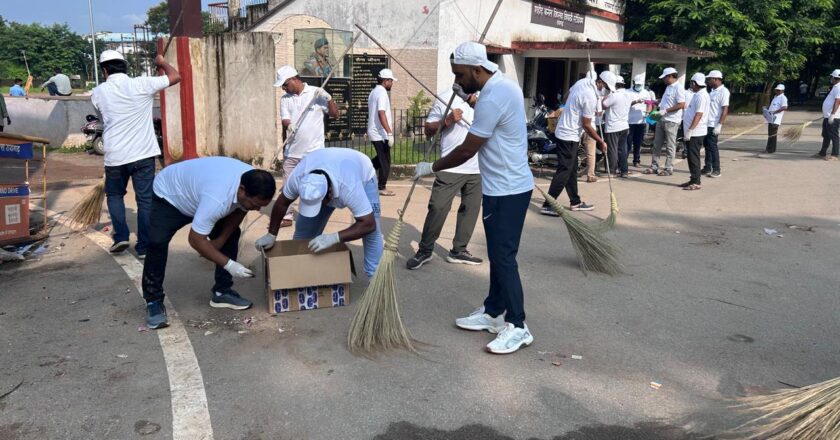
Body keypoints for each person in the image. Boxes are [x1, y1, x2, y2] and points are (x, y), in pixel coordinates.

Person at [414, 42, 535, 354]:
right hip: (502, 187)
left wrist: (432, 167)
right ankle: (493, 312)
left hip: (508, 189)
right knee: (498, 254)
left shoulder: (492, 98)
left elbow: (468, 149)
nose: (457, 80)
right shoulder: (500, 87)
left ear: (477, 70)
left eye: (460, 75)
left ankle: (518, 325)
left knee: (503, 257)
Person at [142, 157, 276, 329]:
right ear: (242, 190)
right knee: (157, 243)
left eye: (261, 206)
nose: (257, 209)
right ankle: (153, 301)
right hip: (171, 196)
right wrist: (229, 265)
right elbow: (195, 240)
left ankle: (222, 291)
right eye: (255, 204)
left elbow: (240, 211)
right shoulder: (218, 199)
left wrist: (220, 241)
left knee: (232, 234)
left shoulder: (251, 181)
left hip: (201, 194)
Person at [91, 50, 180, 255]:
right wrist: (162, 62)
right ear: (124, 66)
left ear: (104, 70)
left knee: (115, 196)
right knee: (145, 200)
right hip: (143, 154)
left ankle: (121, 237)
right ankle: (144, 246)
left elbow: (103, 118)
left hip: (115, 155)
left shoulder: (98, 92)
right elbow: (176, 76)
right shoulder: (142, 84)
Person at [257, 148, 384, 278]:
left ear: (330, 194)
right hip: (325, 164)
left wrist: (334, 238)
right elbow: (281, 203)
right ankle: (302, 274)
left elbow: (368, 224)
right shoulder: (298, 178)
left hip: (361, 171)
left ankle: (375, 277)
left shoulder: (350, 187)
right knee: (303, 235)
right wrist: (271, 234)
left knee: (372, 233)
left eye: (317, 204)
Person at [405, 86, 482, 270]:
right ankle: (425, 250)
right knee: (438, 207)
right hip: (450, 165)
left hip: (478, 167)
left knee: (470, 210)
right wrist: (447, 120)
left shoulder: (484, 98)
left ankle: (459, 250)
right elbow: (428, 130)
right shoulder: (445, 97)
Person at [273, 65, 339, 227]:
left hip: (313, 152)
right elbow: (285, 118)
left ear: (294, 80)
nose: (283, 88)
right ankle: (287, 216)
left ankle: (311, 215)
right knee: (288, 186)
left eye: (285, 84)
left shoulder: (316, 93)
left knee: (312, 185)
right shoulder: (285, 99)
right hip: (292, 151)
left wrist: (329, 98)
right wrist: (289, 125)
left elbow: (335, 114)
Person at [540, 71, 609, 217]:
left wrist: (572, 108)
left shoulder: (582, 82)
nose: (607, 91)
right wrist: (600, 141)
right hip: (568, 135)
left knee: (571, 169)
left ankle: (575, 202)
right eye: (607, 88)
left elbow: (566, 97)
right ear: (600, 83)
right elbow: (587, 125)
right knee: (564, 170)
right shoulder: (590, 96)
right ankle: (548, 205)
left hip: (567, 131)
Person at [644, 67, 685, 176]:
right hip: (661, 118)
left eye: (665, 77)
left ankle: (668, 168)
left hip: (672, 121)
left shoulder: (679, 88)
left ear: (670, 76)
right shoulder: (668, 87)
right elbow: (667, 102)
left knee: (670, 146)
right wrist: (657, 102)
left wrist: (666, 110)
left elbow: (681, 104)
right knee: (656, 144)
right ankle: (654, 166)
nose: (663, 80)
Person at [367, 68, 397, 196]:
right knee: (385, 161)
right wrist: (389, 132)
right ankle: (381, 187)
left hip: (376, 132)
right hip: (379, 133)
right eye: (391, 81)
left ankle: (363, 170)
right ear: (385, 81)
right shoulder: (382, 93)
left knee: (380, 159)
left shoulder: (373, 92)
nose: (392, 83)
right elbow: (381, 113)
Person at [680, 73, 710, 191]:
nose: (691, 85)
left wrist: (691, 130)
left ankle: (696, 181)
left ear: (695, 83)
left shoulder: (701, 96)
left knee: (693, 157)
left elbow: (698, 114)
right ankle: (693, 179)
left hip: (696, 132)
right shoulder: (697, 94)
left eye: (692, 83)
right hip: (693, 131)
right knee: (691, 156)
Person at [602, 75, 633, 178]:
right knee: (622, 149)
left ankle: (612, 171)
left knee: (612, 149)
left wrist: (605, 96)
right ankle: (624, 171)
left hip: (613, 126)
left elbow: (603, 105)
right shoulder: (628, 94)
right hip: (624, 125)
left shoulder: (614, 95)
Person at [702, 70, 729, 178]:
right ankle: (707, 167)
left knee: (712, 147)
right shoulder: (712, 91)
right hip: (707, 123)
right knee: (707, 146)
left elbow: (725, 109)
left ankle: (716, 169)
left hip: (714, 123)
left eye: (709, 79)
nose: (708, 81)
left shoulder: (724, 92)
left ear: (716, 79)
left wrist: (720, 125)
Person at [627, 73, 654, 168]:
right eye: (637, 84)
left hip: (641, 121)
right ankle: (624, 160)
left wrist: (648, 112)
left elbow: (649, 104)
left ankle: (636, 160)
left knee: (638, 143)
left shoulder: (646, 93)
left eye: (640, 84)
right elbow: (625, 104)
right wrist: (636, 101)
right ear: (633, 82)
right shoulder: (628, 92)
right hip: (629, 121)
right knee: (628, 142)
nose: (638, 86)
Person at [816, 69, 840, 161]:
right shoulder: (835, 87)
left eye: (832, 77)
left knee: (834, 135)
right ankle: (822, 153)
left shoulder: (839, 87)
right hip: (828, 115)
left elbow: (837, 101)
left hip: (833, 117)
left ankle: (835, 155)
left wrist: (833, 114)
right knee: (826, 135)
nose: (831, 79)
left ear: (835, 78)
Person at [764, 84, 788, 154]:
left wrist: (775, 112)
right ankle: (769, 148)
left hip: (776, 119)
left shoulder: (783, 98)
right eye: (776, 90)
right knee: (770, 134)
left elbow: (785, 107)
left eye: (779, 90)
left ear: (782, 91)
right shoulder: (775, 97)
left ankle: (770, 149)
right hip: (771, 117)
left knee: (772, 134)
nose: (777, 91)